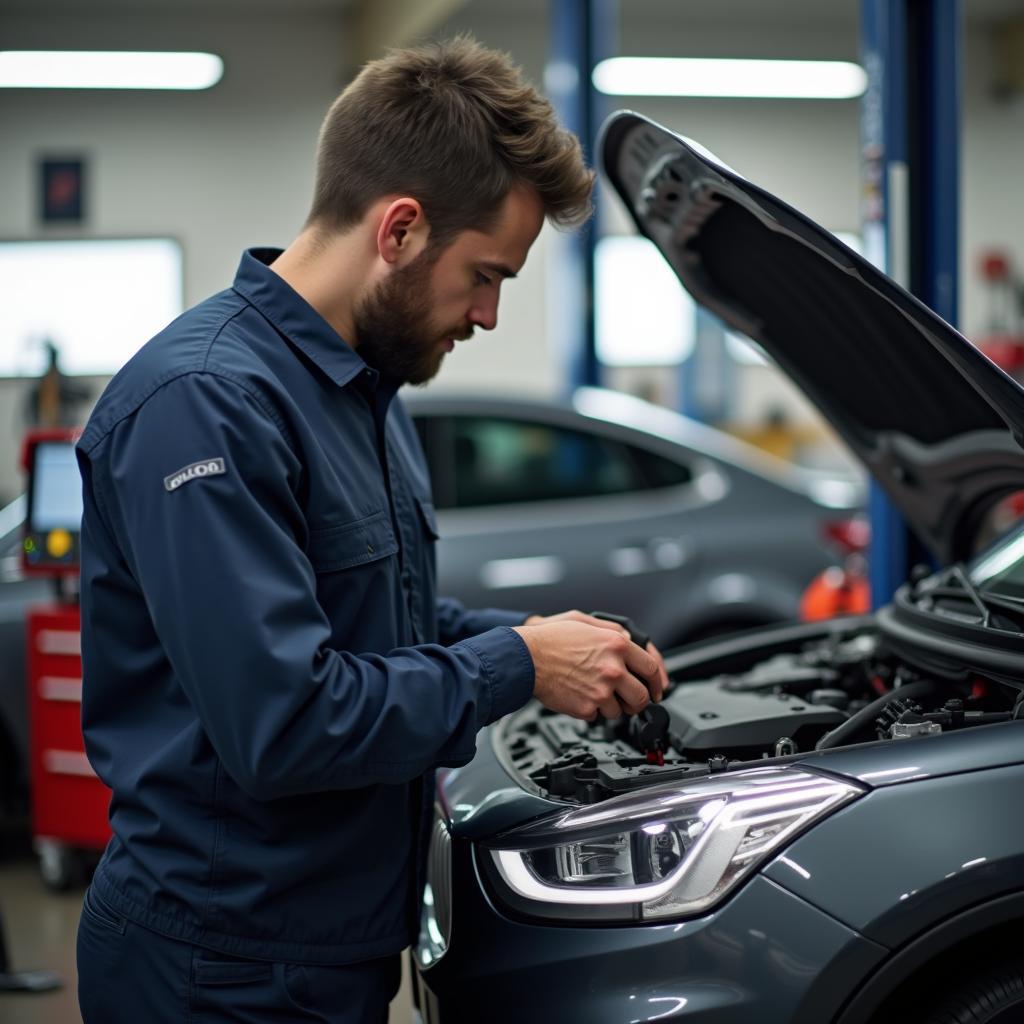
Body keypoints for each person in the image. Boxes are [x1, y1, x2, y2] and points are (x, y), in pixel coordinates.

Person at [74, 35, 668, 1023]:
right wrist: (518, 664)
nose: (484, 313)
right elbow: (286, 721)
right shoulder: (205, 404)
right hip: (215, 970)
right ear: (398, 229)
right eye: (486, 274)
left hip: (325, 953)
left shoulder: (367, 392)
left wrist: (554, 641)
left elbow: (378, 620)